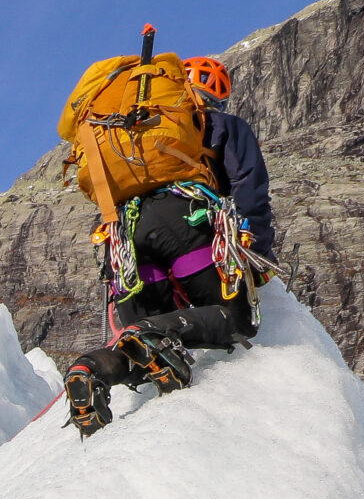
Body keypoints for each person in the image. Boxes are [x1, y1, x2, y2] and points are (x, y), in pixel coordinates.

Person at [61, 53, 278, 437]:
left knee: (140, 343)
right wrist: (255, 249)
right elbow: (248, 185)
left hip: (123, 237)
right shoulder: (218, 124)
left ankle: (91, 370)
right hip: (181, 220)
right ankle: (152, 335)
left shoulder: (129, 130)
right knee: (237, 317)